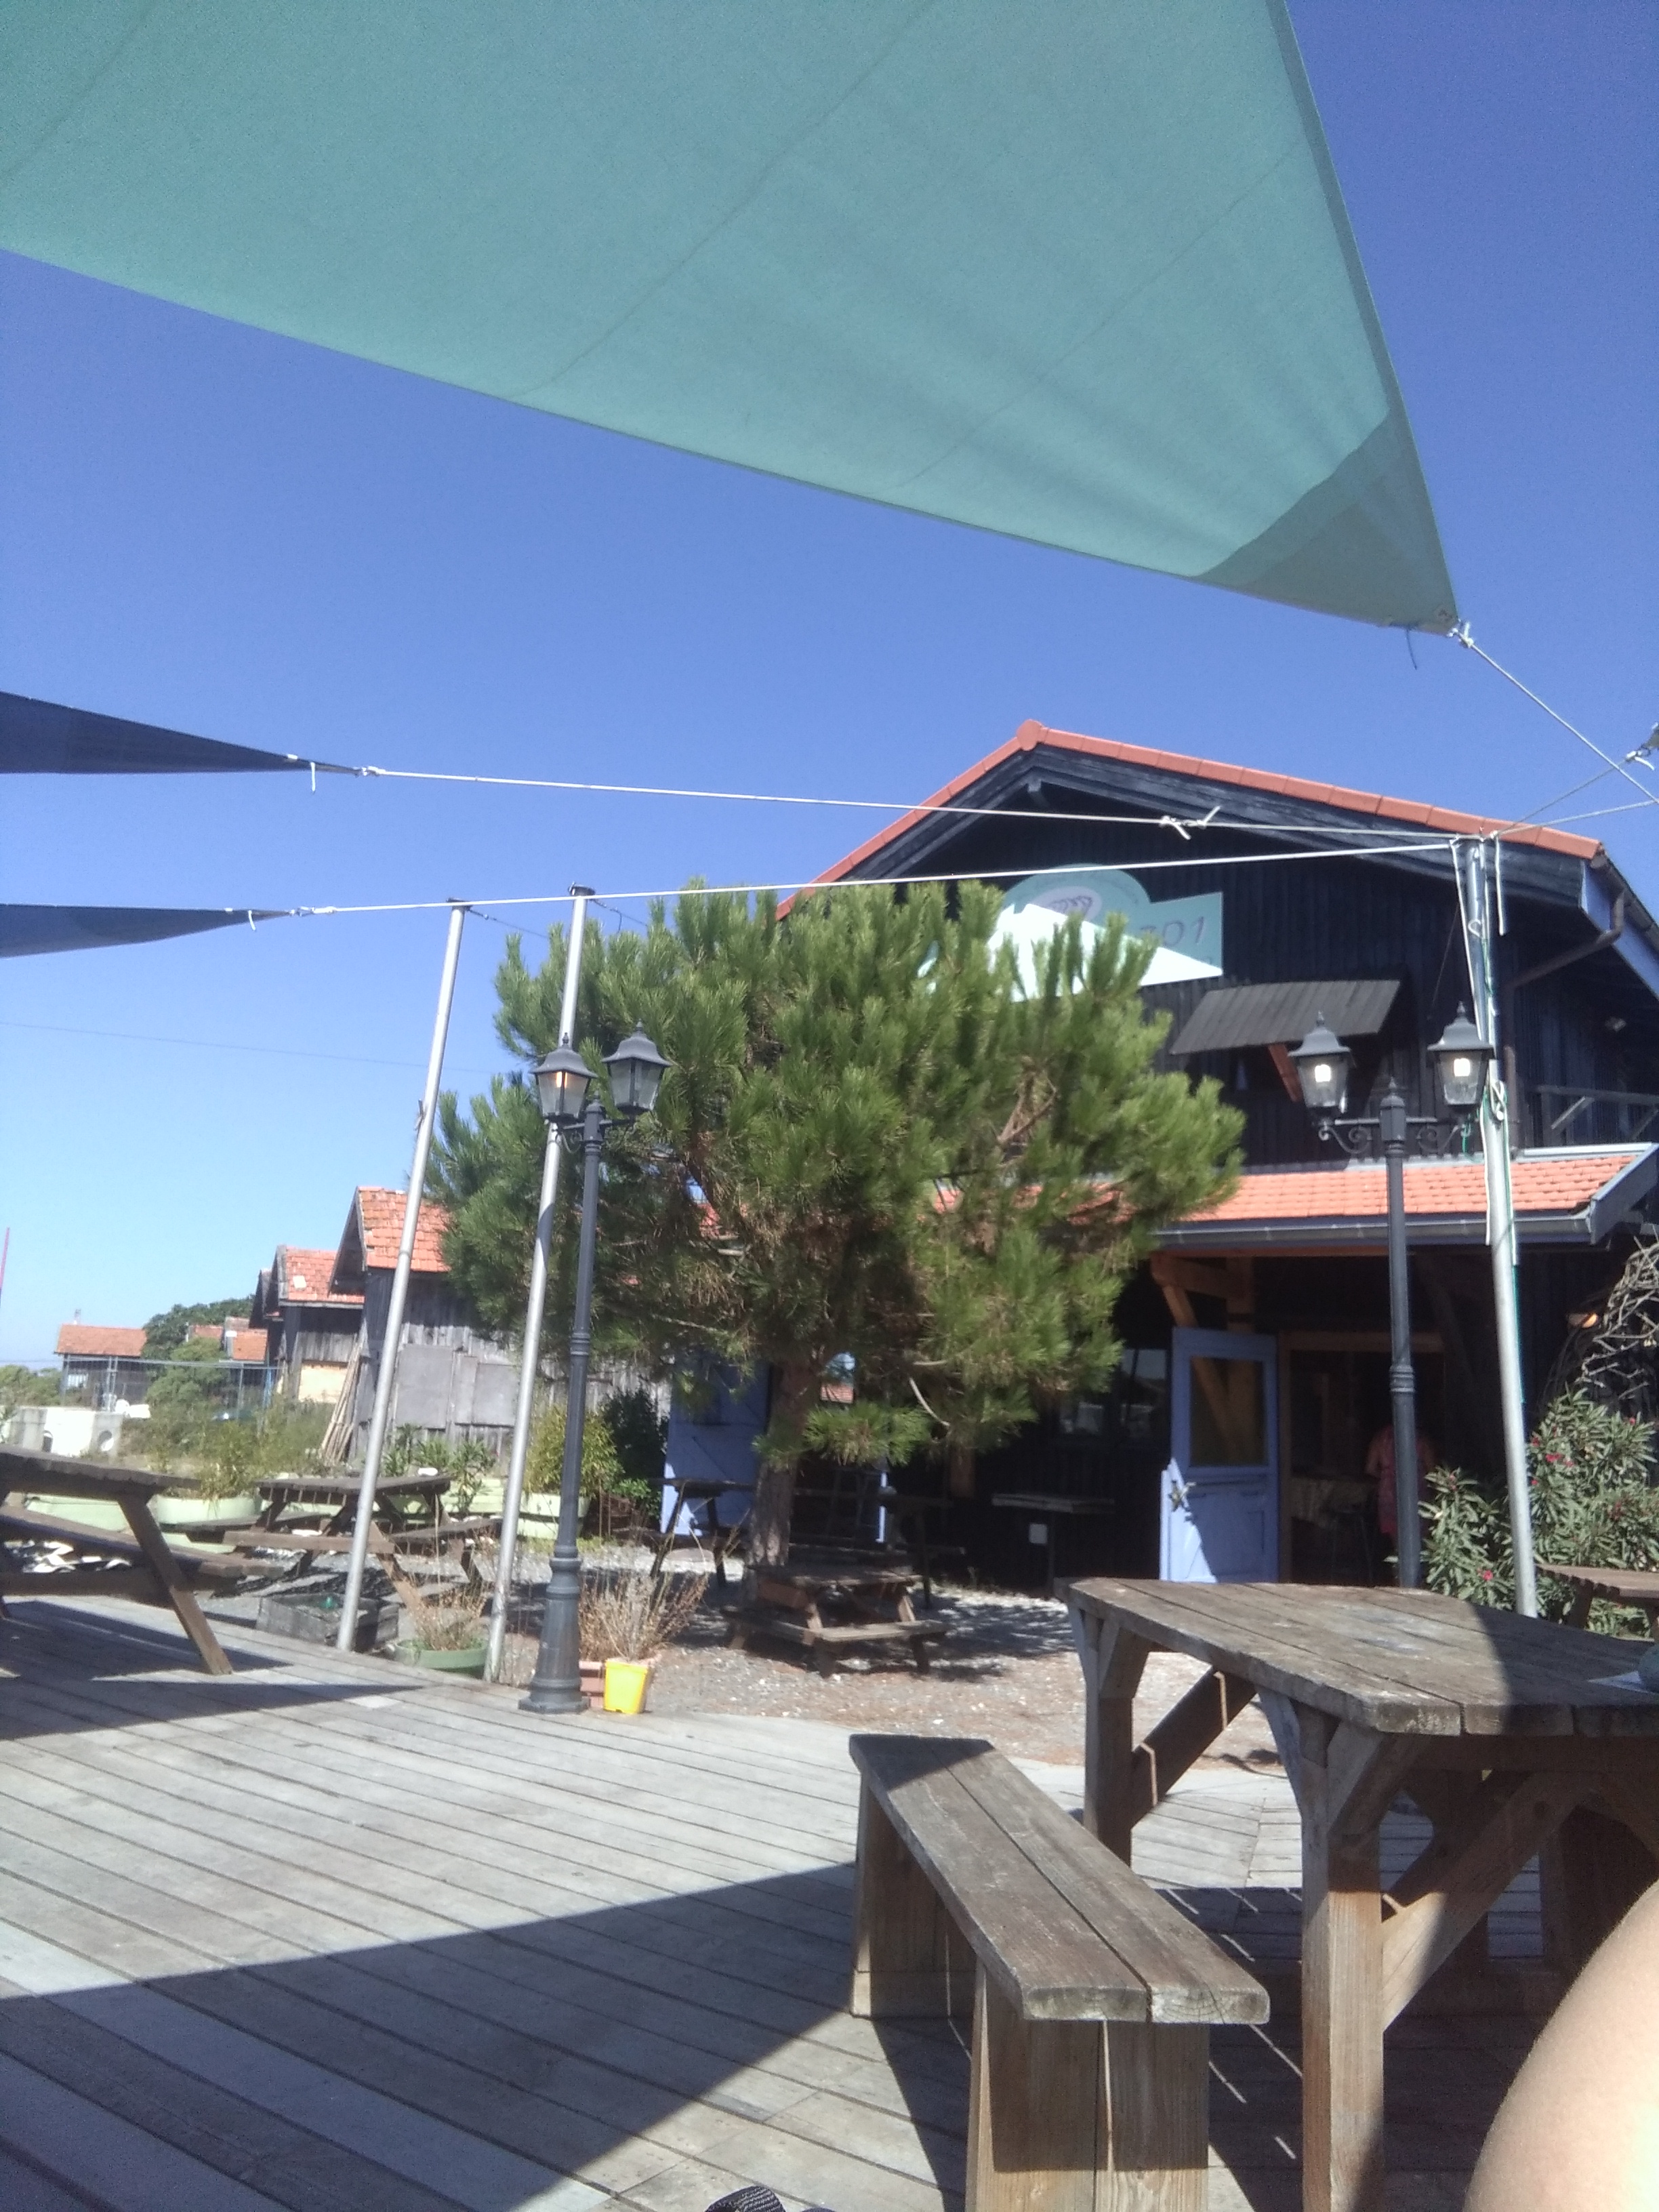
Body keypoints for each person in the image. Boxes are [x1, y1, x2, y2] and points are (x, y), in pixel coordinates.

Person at [1364, 1420, 1433, 1540]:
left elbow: (1370, 1469)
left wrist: (1386, 1476)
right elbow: (1432, 1471)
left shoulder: (1379, 1439)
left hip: (1388, 1494)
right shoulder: (1420, 1438)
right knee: (1420, 1537)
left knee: (1396, 1538)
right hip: (1416, 1491)